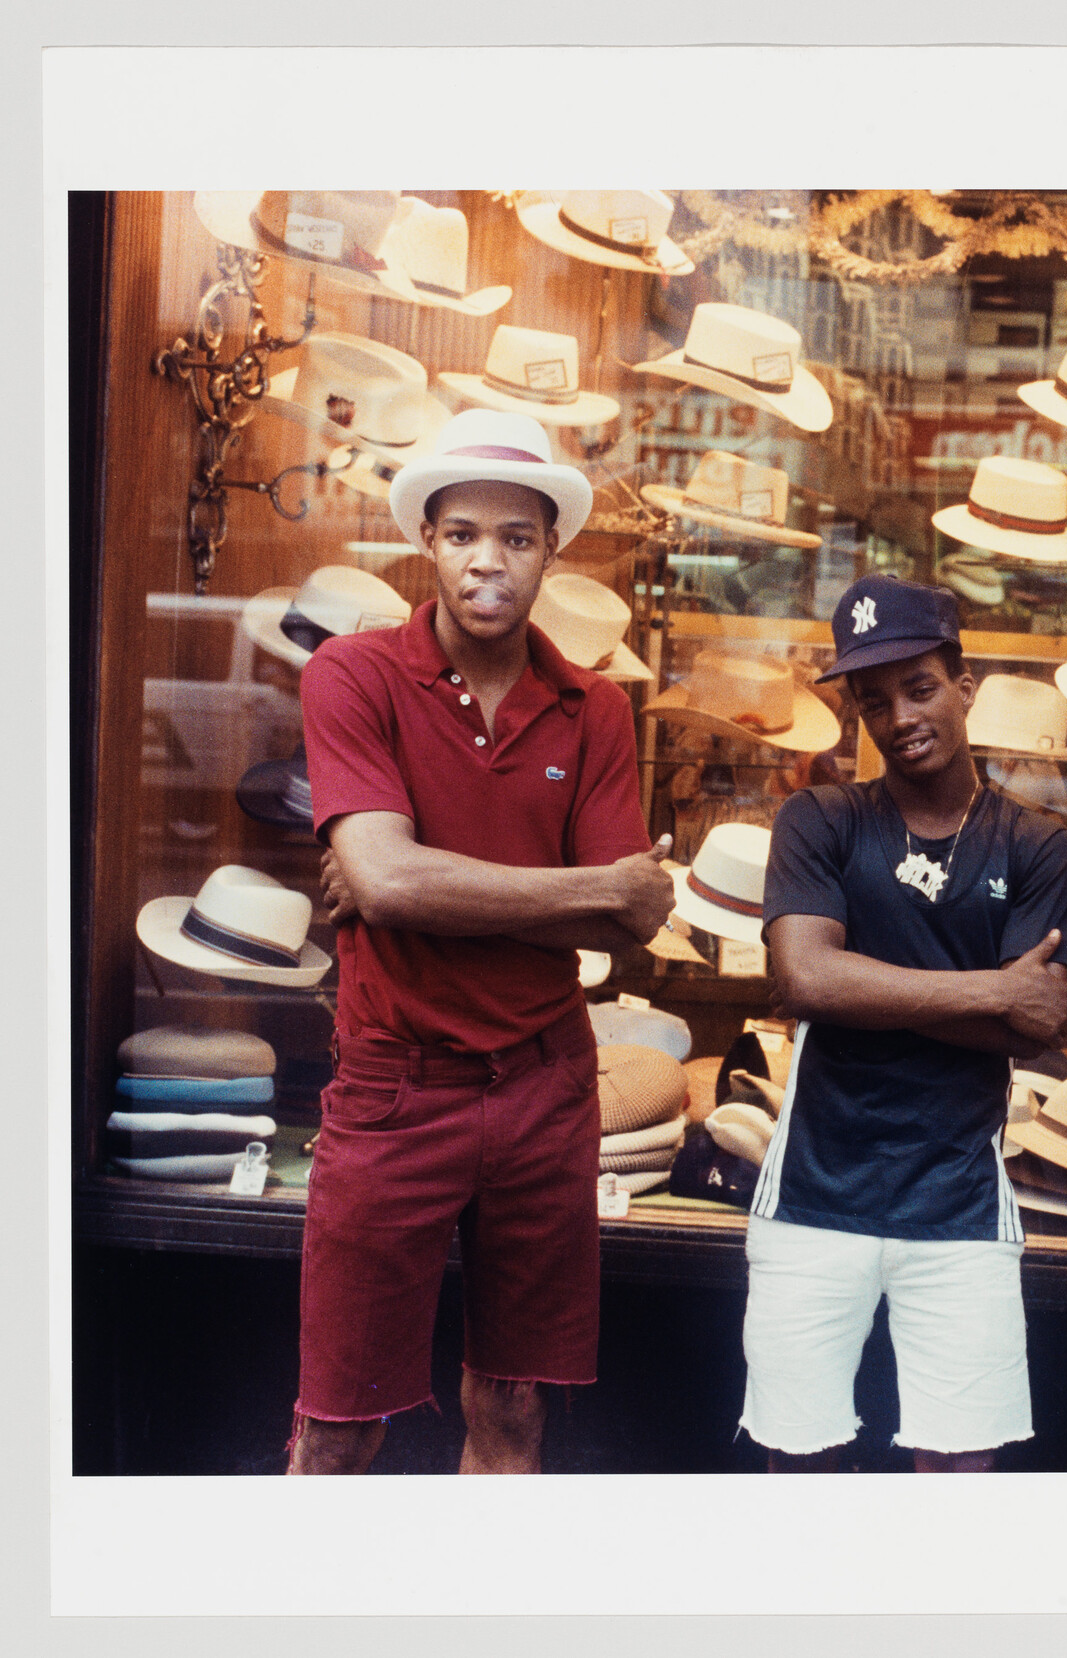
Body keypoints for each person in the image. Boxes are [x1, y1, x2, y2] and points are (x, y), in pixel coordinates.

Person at [294, 407, 677, 1474]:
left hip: (544, 1086)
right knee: (337, 1419)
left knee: (511, 1412)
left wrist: (419, 883)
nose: (487, 559)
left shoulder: (592, 705)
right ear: (428, 541)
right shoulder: (354, 675)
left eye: (516, 536)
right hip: (395, 1083)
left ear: (552, 548)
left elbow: (633, 917)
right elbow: (385, 874)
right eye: (463, 532)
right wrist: (580, 886)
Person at [743, 573, 1067, 1472]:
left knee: (959, 1474)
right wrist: (987, 992)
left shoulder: (1034, 842)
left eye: (920, 688)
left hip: (959, 1198)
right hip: (817, 1195)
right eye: (873, 701)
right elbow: (807, 978)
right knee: (799, 1464)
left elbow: (1037, 1022)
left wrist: (871, 991)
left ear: (966, 687)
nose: (899, 717)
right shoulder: (822, 818)